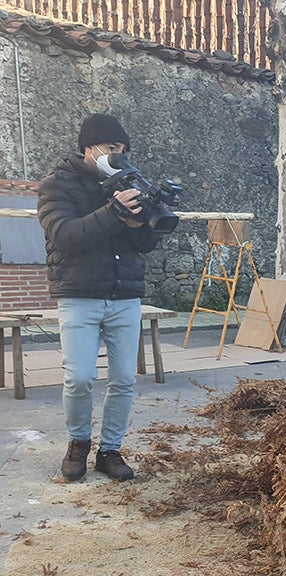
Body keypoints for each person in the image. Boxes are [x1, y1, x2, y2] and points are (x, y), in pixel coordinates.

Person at [36, 113, 161, 482]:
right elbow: (65, 236)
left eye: (122, 149)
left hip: (124, 293)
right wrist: (114, 212)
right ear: (89, 147)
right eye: (111, 148)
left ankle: (110, 450)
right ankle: (78, 443)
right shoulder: (57, 184)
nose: (117, 155)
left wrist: (141, 224)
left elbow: (146, 245)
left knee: (124, 378)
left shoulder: (129, 182)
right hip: (79, 294)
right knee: (79, 378)